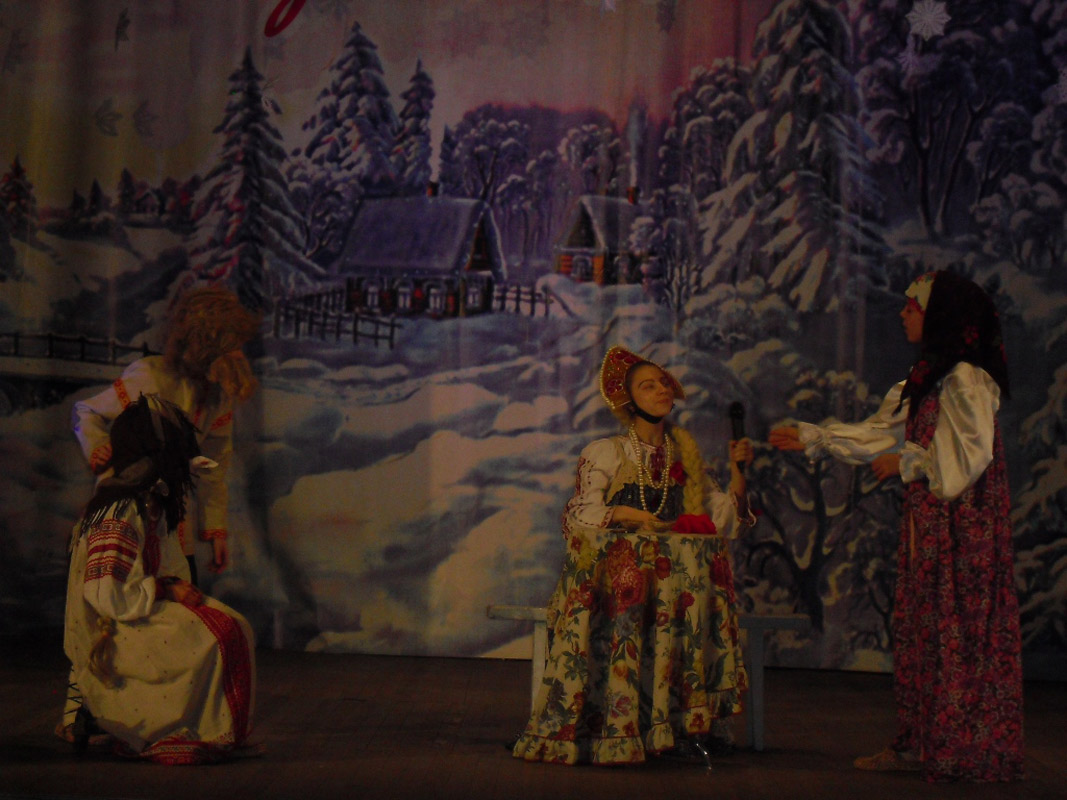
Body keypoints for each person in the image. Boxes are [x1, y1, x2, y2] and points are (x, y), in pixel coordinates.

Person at [769, 271, 1023, 782]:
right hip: (931, 528)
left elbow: (968, 459)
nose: (904, 314)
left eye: (913, 307)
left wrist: (910, 462)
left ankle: (963, 750)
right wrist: (818, 437)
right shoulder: (928, 377)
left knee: (957, 630)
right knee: (921, 629)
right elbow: (879, 433)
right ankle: (919, 742)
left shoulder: (966, 378)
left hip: (962, 532)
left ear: (940, 316)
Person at [512, 345, 755, 765]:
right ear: (628, 401)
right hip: (618, 594)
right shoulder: (608, 452)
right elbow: (579, 515)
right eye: (648, 385)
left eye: (663, 383)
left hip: (668, 595)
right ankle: (612, 728)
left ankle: (668, 728)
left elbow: (723, 520)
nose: (661, 389)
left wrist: (738, 472)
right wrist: (628, 514)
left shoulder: (685, 457)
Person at [63, 394, 255, 763]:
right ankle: (150, 725)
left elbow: (166, 564)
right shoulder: (119, 511)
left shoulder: (149, 502)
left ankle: (208, 731)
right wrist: (165, 589)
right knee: (214, 638)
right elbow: (104, 594)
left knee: (232, 624)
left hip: (137, 610)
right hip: (114, 628)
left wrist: (177, 589)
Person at [72, 285, 260, 584]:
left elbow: (214, 466)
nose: (238, 353)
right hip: (127, 509)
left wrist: (216, 531)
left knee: (177, 589)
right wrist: (98, 445)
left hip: (172, 521)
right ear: (205, 342)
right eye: (230, 343)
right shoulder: (151, 377)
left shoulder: (217, 395)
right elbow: (87, 411)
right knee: (123, 592)